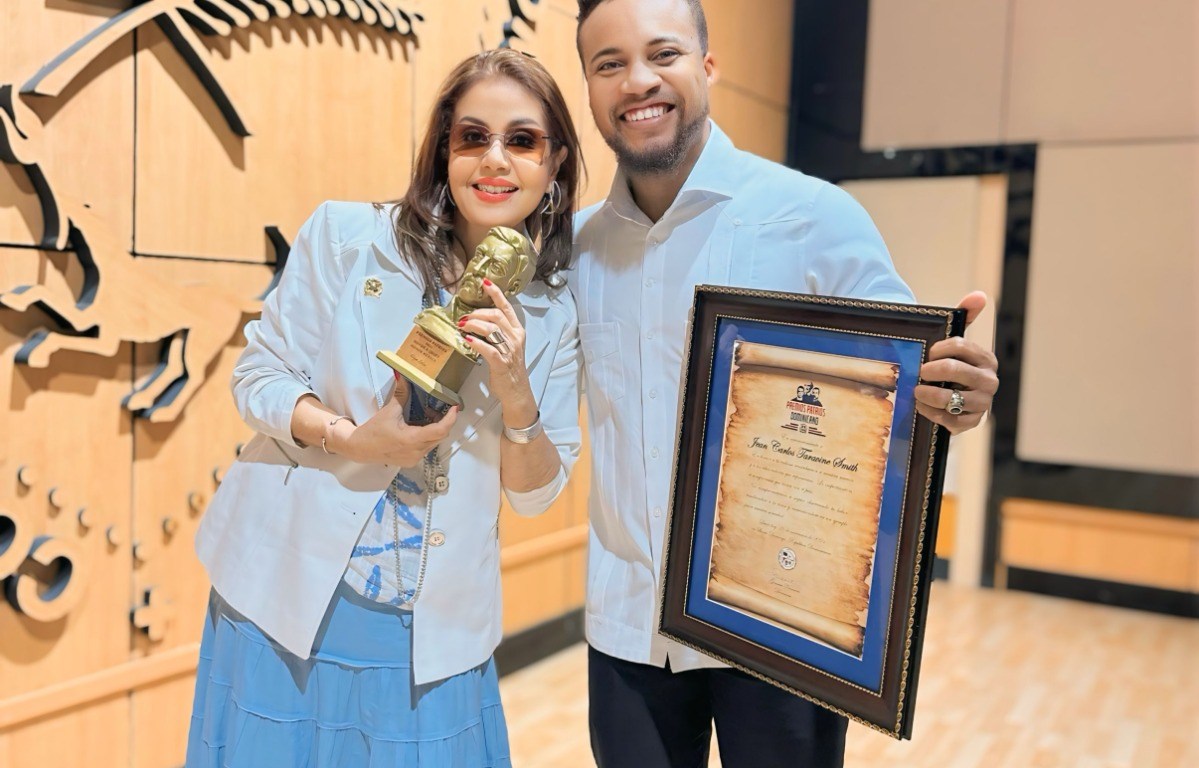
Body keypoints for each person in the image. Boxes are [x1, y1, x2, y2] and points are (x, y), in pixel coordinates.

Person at [570, 1, 1000, 766]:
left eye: (662, 54)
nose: (637, 81)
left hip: (781, 628)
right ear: (590, 87)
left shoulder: (811, 215)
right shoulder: (576, 248)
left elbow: (908, 387)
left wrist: (955, 393)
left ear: (707, 66)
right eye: (609, 64)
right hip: (627, 629)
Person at [185, 49, 584, 767]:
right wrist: (349, 439)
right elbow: (259, 377)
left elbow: (535, 496)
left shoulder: (553, 312)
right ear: (443, 149)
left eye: (522, 140)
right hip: (285, 592)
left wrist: (517, 391)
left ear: (554, 164)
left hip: (430, 625)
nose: (495, 160)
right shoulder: (347, 238)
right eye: (473, 137)